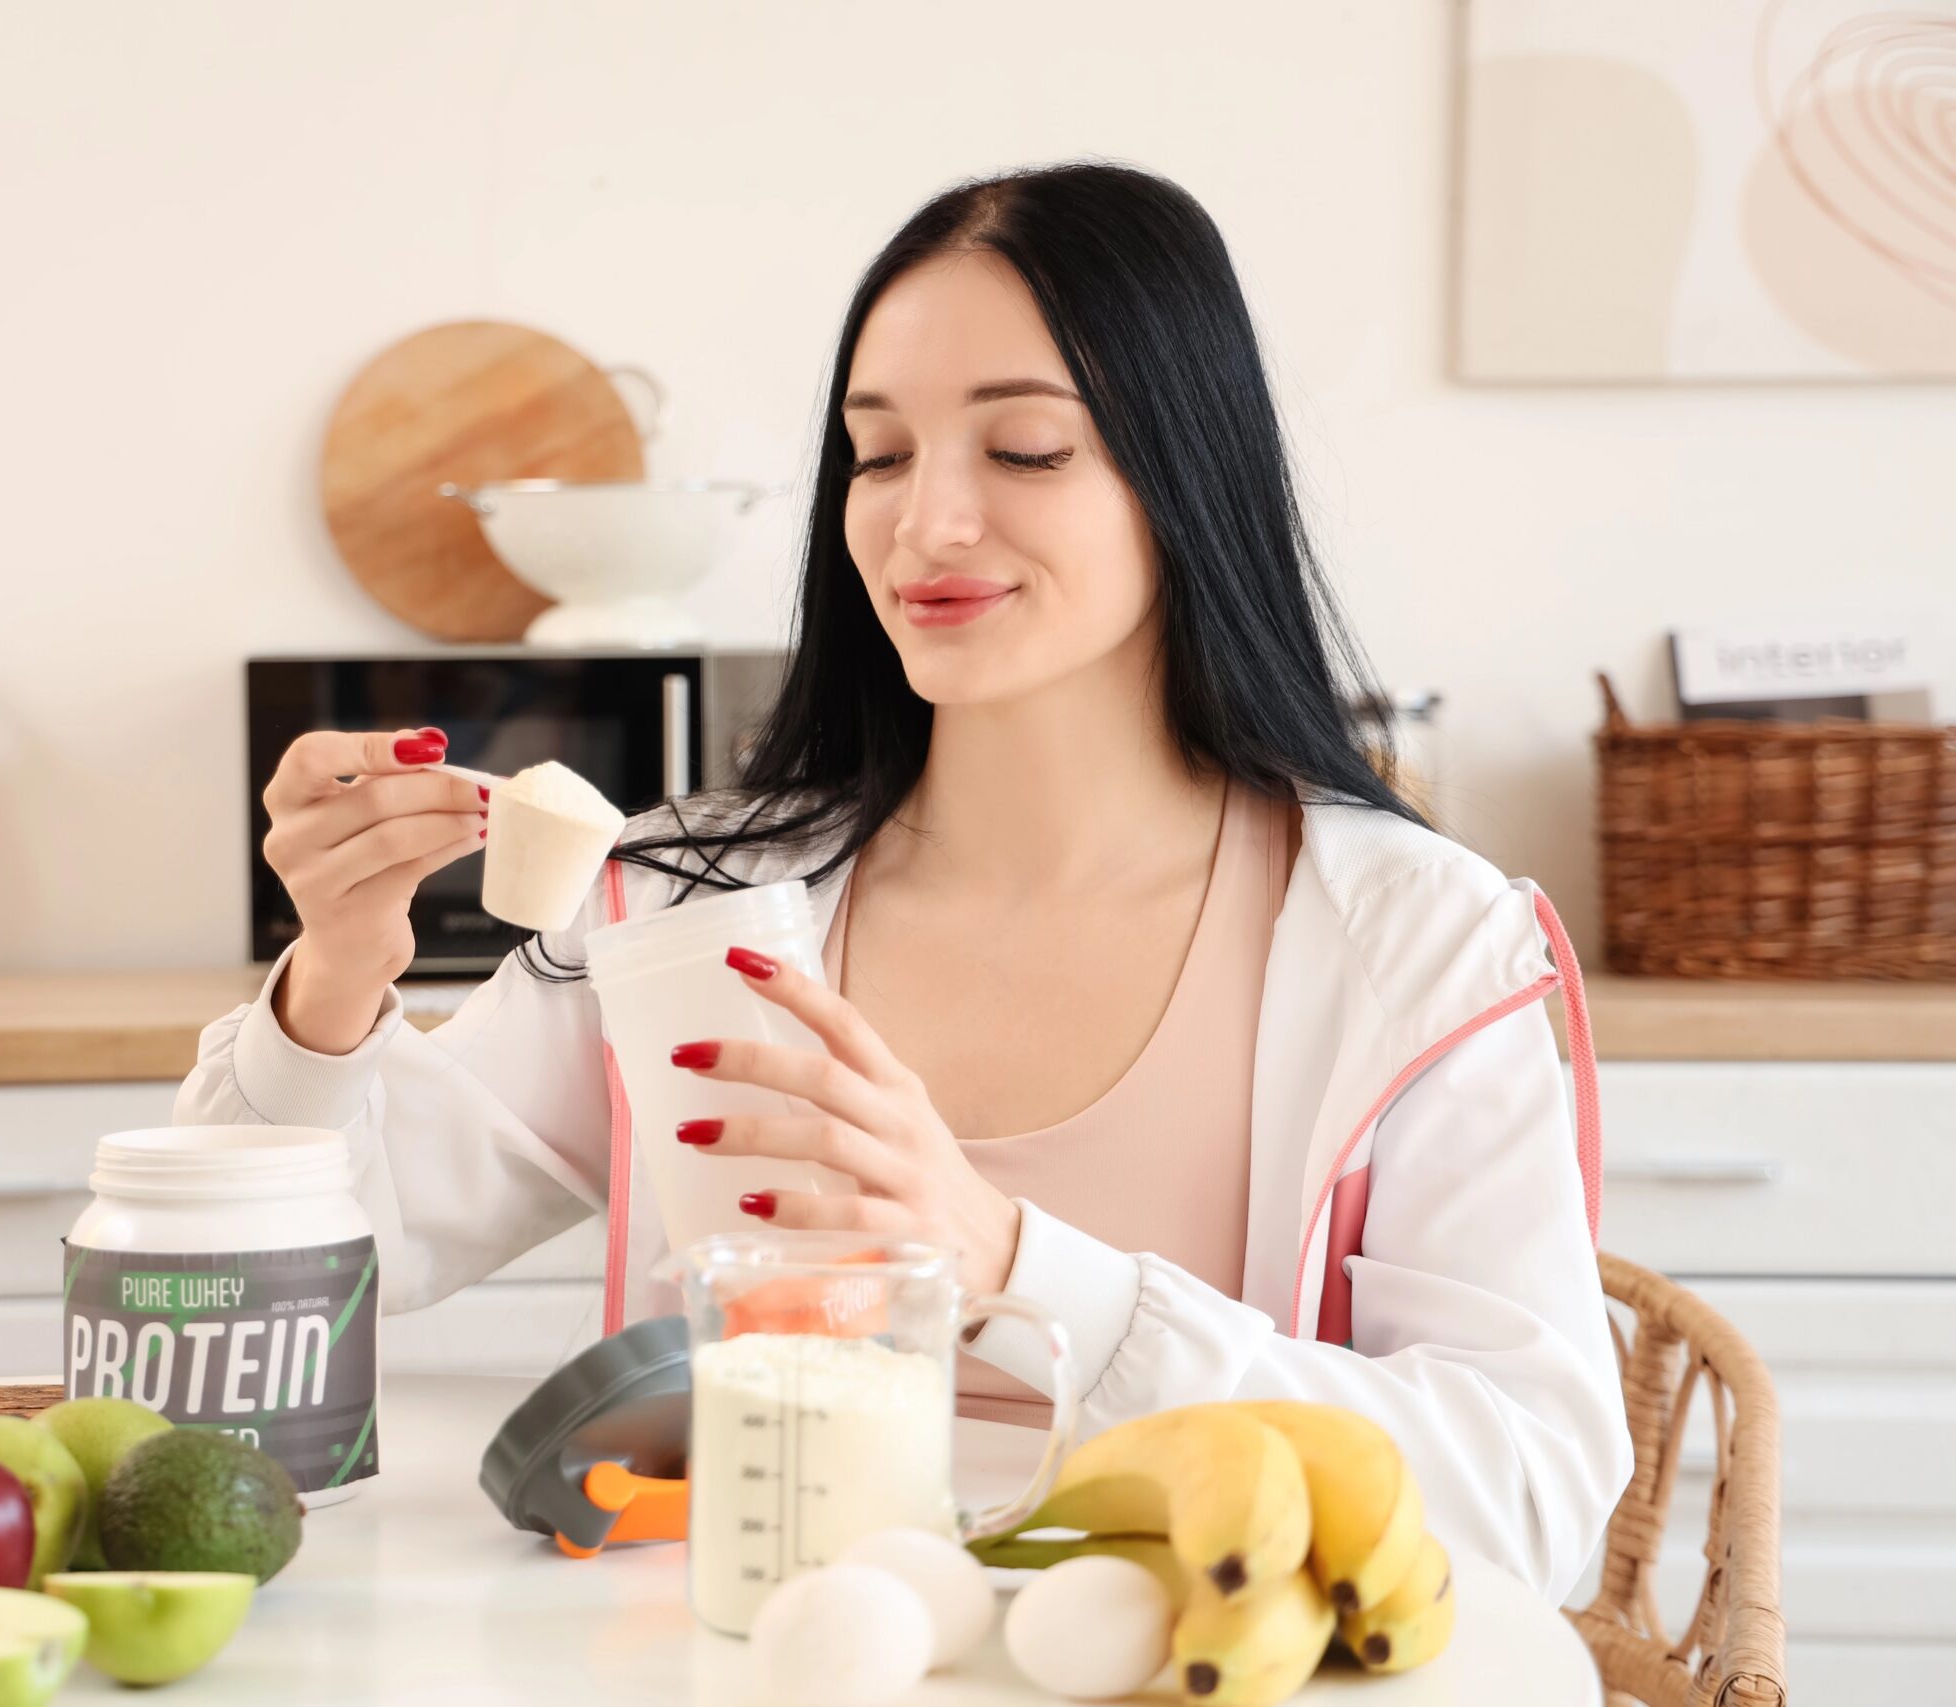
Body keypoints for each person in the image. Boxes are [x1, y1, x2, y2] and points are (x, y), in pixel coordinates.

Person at [179, 162, 1632, 1602]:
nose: (926, 524)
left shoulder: (1425, 950)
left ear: (1186, 475)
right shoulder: (683, 908)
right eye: (878, 455)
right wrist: (336, 975)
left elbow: (1533, 1496)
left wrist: (1012, 1260)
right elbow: (287, 1290)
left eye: (1026, 450)